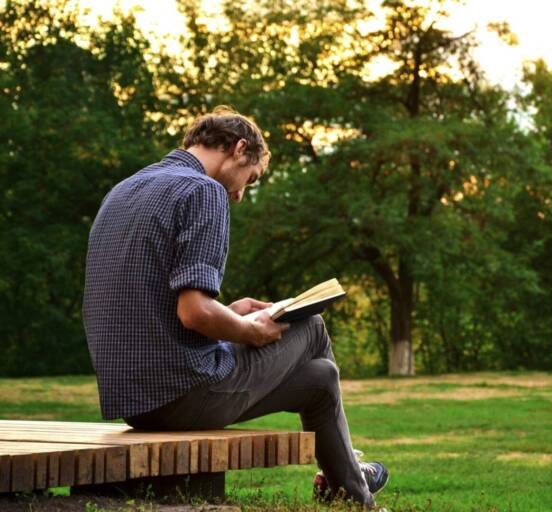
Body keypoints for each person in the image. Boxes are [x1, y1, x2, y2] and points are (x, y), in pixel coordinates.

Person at [82, 106, 388, 508]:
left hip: (133, 400)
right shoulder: (203, 191)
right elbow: (193, 313)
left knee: (320, 378)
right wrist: (251, 330)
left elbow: (161, 306)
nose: (241, 194)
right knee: (311, 325)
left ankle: (350, 492)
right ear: (239, 148)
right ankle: (347, 474)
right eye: (250, 179)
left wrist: (230, 311)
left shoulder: (124, 190)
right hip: (181, 391)